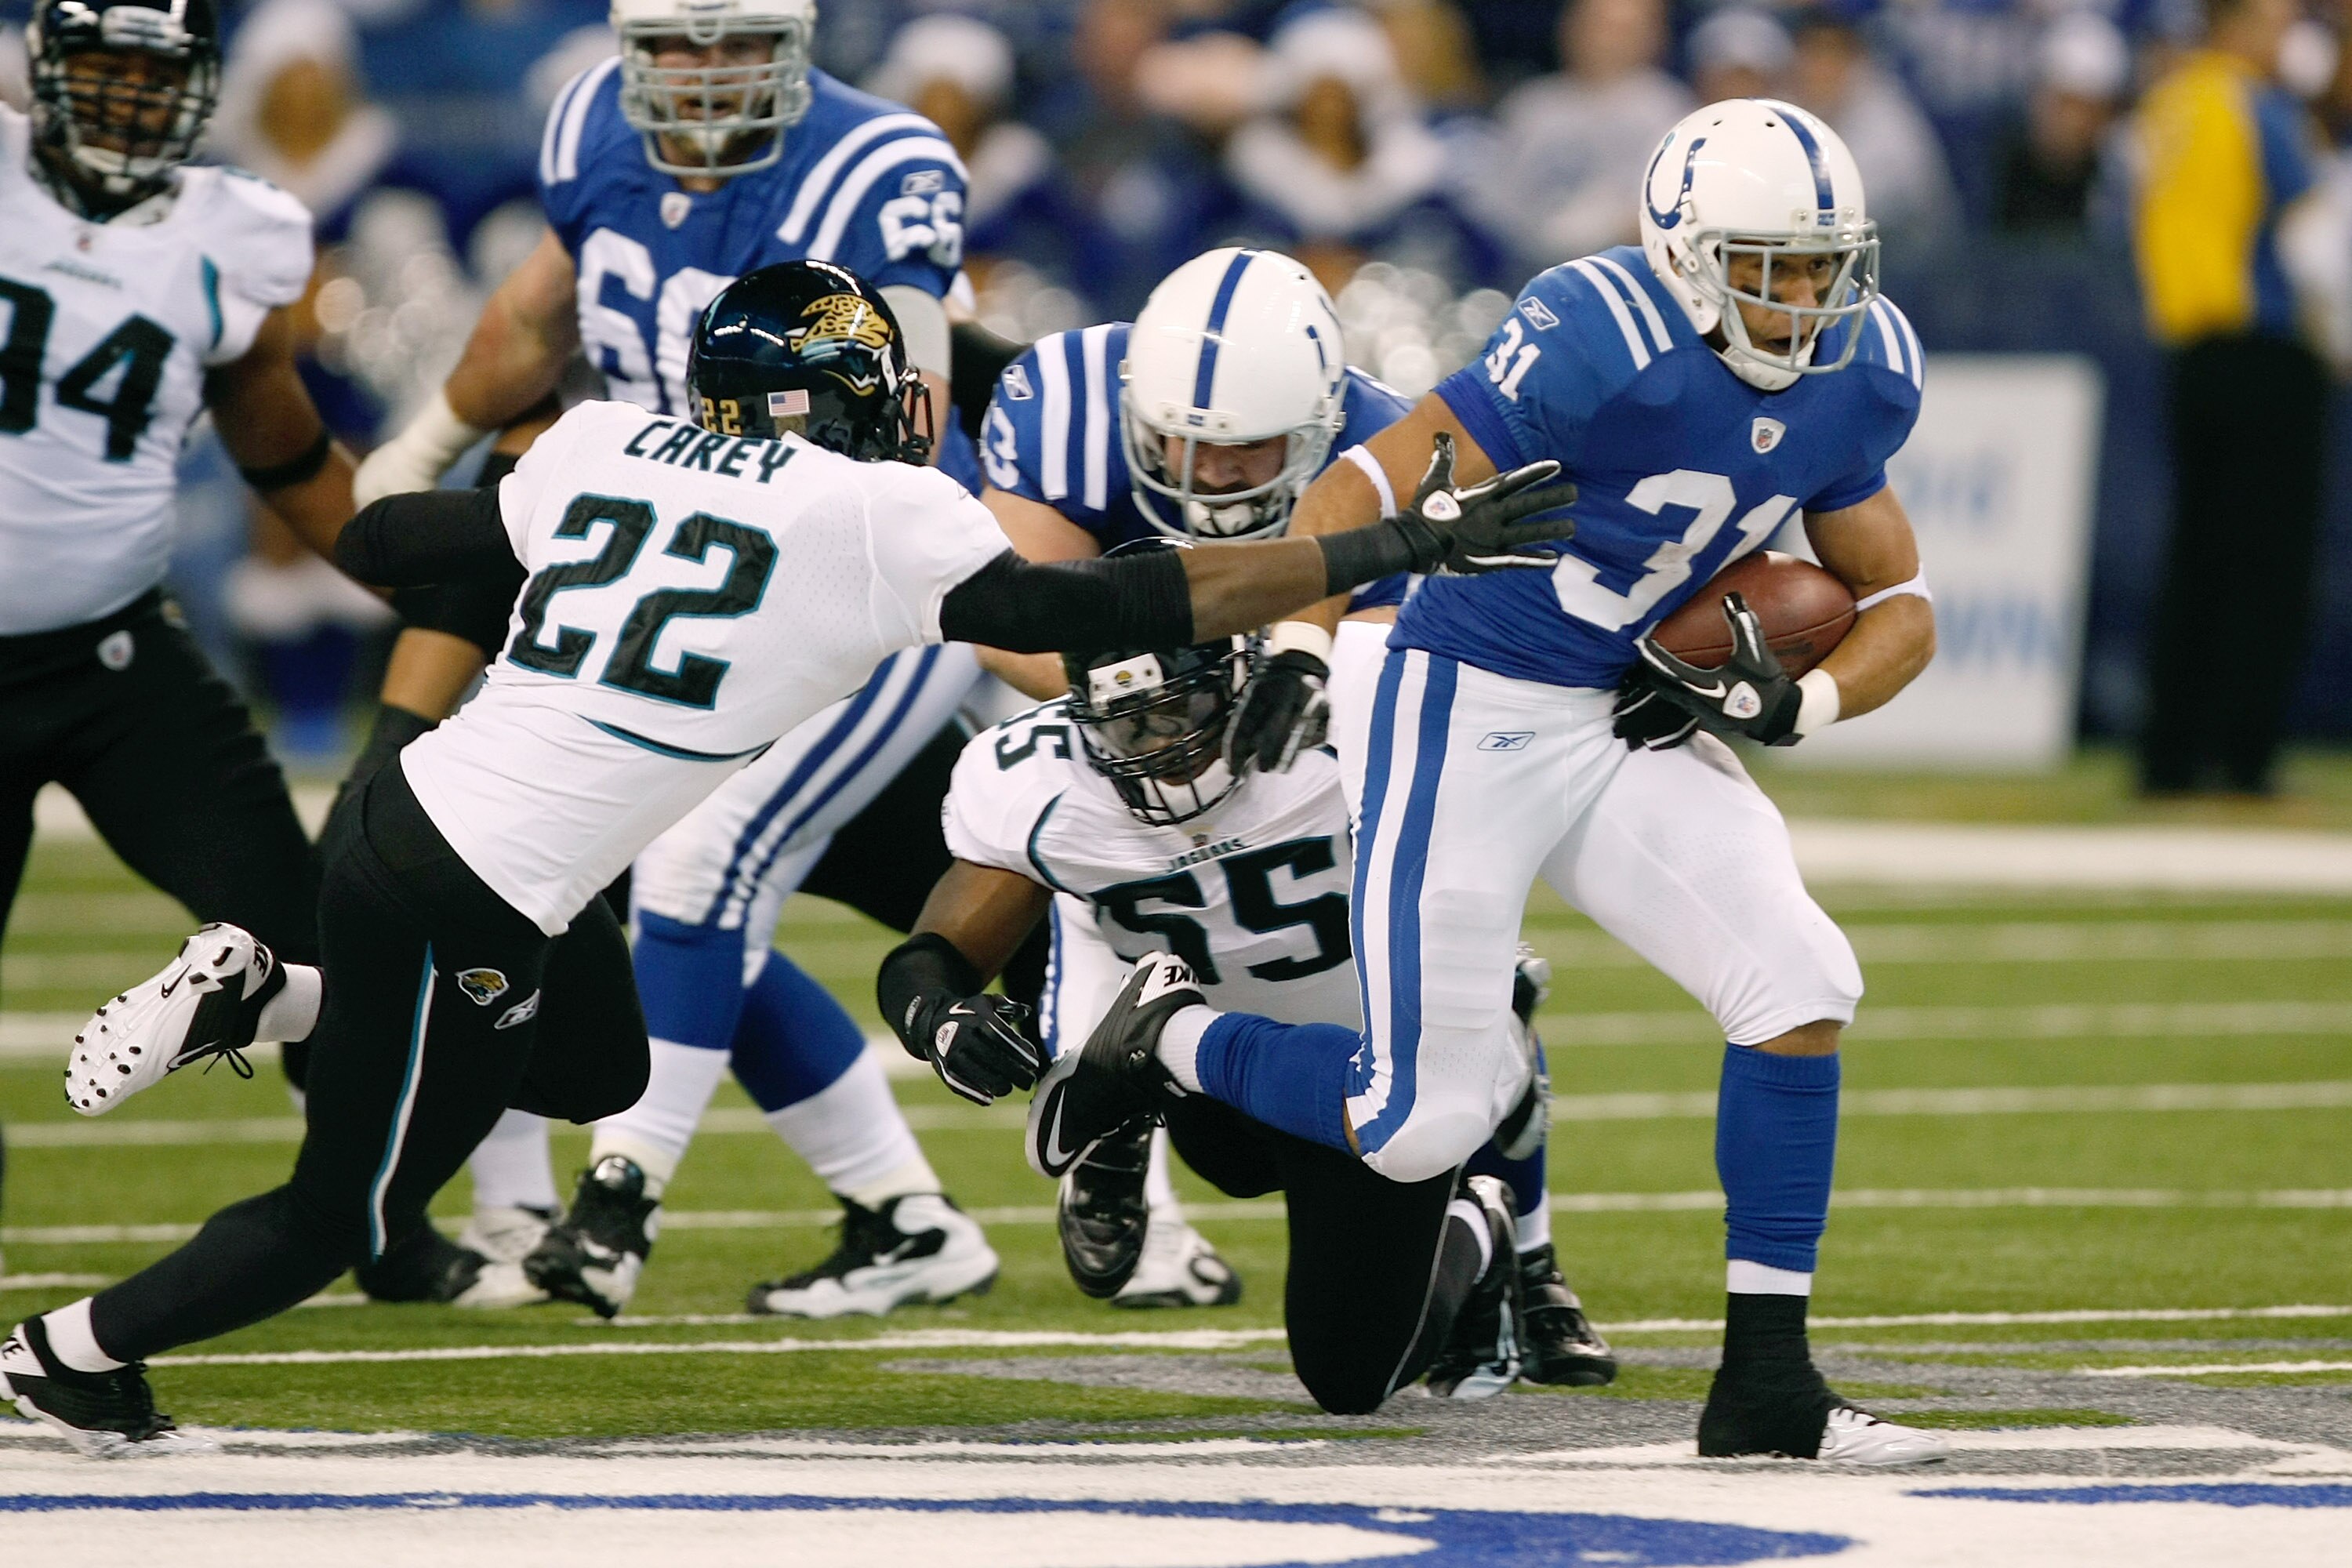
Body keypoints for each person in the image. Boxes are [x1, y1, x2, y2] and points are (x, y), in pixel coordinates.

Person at [3, 259, 1567, 1454]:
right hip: (475, 885)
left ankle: (270, 991)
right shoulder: (873, 514)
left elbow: (385, 542)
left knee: (599, 1063)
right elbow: (1104, 608)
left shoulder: (602, 443)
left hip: (417, 812)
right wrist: (1390, 546)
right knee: (343, 1212)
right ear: (851, 398)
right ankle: (72, 1356)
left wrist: (493, 495)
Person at [1025, 100, 1954, 1465]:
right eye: (1770, 266)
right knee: (1417, 1123)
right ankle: (1160, 1035)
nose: (1804, 298)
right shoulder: (1594, 335)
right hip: (1468, 698)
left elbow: (1899, 600)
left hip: (1625, 715)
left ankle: (1767, 1384)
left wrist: (1796, 700)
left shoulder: (1863, 369)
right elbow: (1357, 484)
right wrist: (1303, 644)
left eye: (1825, 264)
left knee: (1800, 980)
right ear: (1687, 257)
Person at [336, 0, 1014, 1316]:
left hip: (835, 570)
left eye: (734, 42)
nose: (705, 73)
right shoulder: (593, 127)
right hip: (675, 568)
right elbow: (538, 315)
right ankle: (905, 1213)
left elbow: (914, 415)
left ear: (794, 43)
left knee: (704, 866)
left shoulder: (878, 163)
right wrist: (422, 446)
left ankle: (613, 1210)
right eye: (677, 47)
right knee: (645, 889)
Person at [974, 245, 1570, 1307]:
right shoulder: (1062, 401)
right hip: (1119, 727)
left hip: (1306, 748)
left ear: (1318, 426)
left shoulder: (1390, 453)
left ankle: (1526, 1257)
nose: (1208, 475)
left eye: (1244, 450)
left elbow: (1391, 686)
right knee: (1083, 844)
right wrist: (1144, 705)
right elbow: (1006, 615)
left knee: (1459, 948)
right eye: (1182, 443)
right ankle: (1111, 1111)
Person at [882, 607, 1616, 1405]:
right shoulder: (1038, 781)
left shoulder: (1359, 707)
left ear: (1246, 678)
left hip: (1373, 1063)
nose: (1161, 749)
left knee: (1351, 1377)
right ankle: (1142, 1061)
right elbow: (937, 950)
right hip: (1223, 1086)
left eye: (1180, 712)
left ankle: (1479, 1212)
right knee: (1231, 1167)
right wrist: (938, 1016)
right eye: (1129, 725)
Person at [0, 0, 361, 1192]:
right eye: (104, 68)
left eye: (155, 75)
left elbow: (288, 456)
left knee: (311, 940)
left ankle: (379, 1226)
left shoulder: (235, 230)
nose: (129, 96)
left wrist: (431, 579)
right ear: (48, 70)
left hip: (116, 663)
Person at [2132, 0, 2326, 796]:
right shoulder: (2257, 106)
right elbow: (2313, 236)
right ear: (2240, 25)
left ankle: (2170, 753)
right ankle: (2246, 756)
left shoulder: (2169, 101)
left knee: (2197, 556)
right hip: (2264, 344)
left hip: (2189, 348)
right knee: (2265, 565)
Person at [1481, 0, 1691, 278]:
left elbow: (1669, 215)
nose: (1607, 41)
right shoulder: (1529, 108)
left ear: (1654, 37)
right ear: (1569, 29)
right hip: (1527, 272)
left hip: (1630, 276)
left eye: (1624, 29)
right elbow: (1498, 206)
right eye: (1599, 25)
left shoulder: (1671, 112)